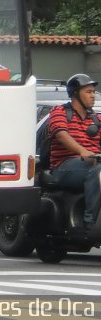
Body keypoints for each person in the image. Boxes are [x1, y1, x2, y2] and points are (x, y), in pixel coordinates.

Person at [48, 73, 101, 231]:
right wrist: (82, 151)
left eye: (93, 92)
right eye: (88, 92)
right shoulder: (60, 111)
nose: (93, 96)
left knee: (96, 168)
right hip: (63, 166)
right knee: (98, 171)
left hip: (92, 163)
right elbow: (61, 134)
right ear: (75, 94)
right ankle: (90, 222)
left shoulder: (96, 119)